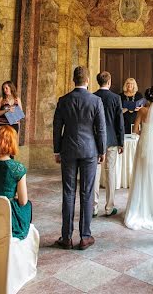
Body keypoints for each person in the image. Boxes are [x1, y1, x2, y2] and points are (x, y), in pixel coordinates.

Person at [52, 66, 106, 250]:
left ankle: (66, 237)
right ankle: (85, 236)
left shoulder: (64, 100)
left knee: (68, 192)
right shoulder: (95, 100)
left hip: (68, 149)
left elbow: (57, 127)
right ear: (88, 80)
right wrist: (102, 150)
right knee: (87, 192)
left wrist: (57, 150)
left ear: (73, 79)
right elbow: (100, 128)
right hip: (90, 150)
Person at [123, 85, 153, 230]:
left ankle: (140, 207)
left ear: (147, 98)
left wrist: (143, 134)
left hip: (144, 144)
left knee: (141, 173)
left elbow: (135, 129)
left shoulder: (143, 111)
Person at [0, 126, 32, 239]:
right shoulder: (18, 169)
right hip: (8, 217)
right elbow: (23, 201)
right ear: (12, 143)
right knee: (28, 205)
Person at [92, 71, 124, 217]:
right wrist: (121, 141)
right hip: (111, 140)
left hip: (94, 140)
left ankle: (93, 208)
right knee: (110, 172)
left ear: (98, 81)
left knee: (95, 174)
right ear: (109, 81)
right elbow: (119, 122)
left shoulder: (92, 96)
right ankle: (109, 208)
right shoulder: (116, 98)